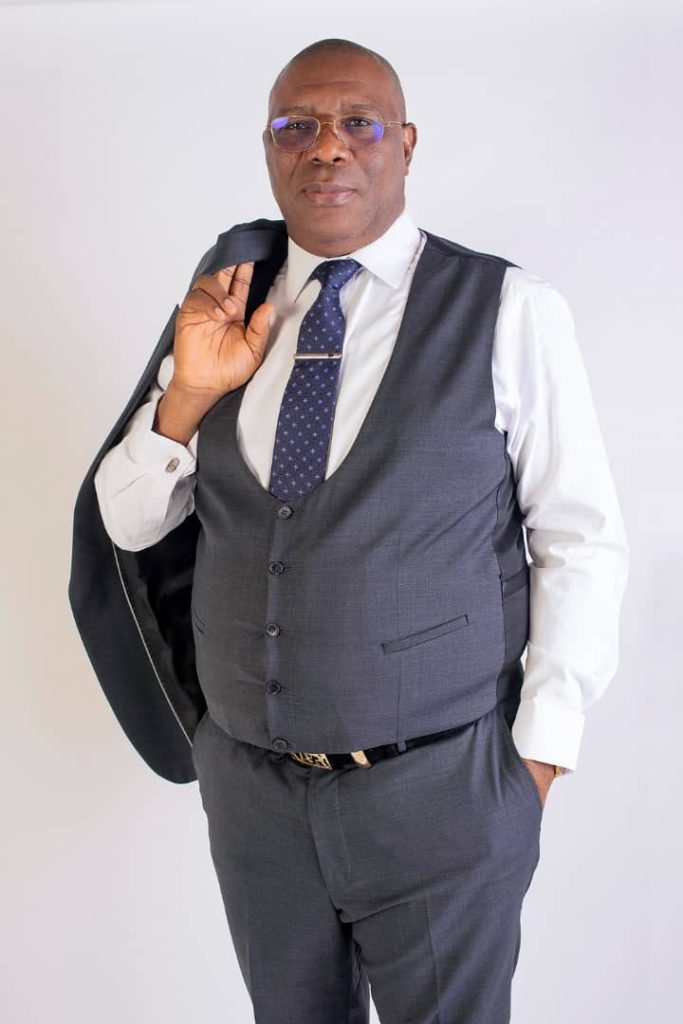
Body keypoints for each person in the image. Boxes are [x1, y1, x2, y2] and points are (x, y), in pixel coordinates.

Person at [68, 37, 629, 1024]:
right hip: (253, 799)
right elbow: (129, 519)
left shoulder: (507, 309)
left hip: (442, 795)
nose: (325, 147)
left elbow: (578, 537)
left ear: (403, 145)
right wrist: (188, 393)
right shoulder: (226, 306)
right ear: (268, 148)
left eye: (356, 124)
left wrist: (536, 760)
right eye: (297, 126)